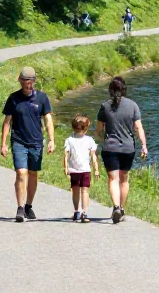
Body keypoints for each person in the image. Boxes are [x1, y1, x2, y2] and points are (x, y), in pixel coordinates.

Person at [0, 66, 55, 223]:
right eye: (24, 81)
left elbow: (48, 119)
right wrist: (3, 143)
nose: (26, 85)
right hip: (19, 141)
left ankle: (29, 205)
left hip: (36, 142)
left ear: (34, 81)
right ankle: (20, 208)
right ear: (20, 81)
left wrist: (51, 139)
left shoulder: (42, 98)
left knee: (33, 174)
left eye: (29, 81)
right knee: (21, 173)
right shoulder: (13, 98)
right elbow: (7, 122)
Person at [96, 76, 148, 224]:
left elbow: (99, 130)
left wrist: (102, 137)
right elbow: (138, 128)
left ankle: (116, 207)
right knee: (124, 179)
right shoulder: (133, 106)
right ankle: (122, 209)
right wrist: (144, 145)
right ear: (124, 90)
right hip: (128, 148)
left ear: (110, 91)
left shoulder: (105, 106)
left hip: (110, 148)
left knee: (113, 179)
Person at [63, 114, 99, 223]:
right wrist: (96, 169)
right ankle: (84, 212)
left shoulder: (69, 139)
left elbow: (66, 155)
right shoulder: (89, 140)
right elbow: (93, 156)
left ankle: (77, 211)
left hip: (74, 170)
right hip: (85, 170)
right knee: (85, 191)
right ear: (86, 128)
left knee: (75, 191)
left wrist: (66, 167)